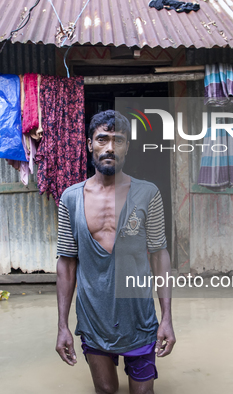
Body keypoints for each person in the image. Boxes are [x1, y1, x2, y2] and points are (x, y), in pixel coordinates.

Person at [55, 110, 176, 394]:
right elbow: (66, 263)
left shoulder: (148, 193)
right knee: (106, 390)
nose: (110, 147)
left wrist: (167, 318)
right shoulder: (70, 198)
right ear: (89, 144)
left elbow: (159, 255)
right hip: (93, 318)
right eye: (102, 139)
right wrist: (62, 325)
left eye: (118, 140)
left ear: (127, 147)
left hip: (140, 317)